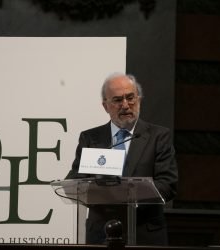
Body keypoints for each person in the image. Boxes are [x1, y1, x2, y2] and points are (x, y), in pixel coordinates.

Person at [65, 72, 178, 245]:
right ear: (105, 106)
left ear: (138, 99)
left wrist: (129, 194)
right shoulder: (91, 138)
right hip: (100, 234)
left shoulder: (158, 136)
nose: (125, 105)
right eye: (117, 100)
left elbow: (168, 184)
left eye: (130, 98)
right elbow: (75, 182)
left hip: (144, 234)